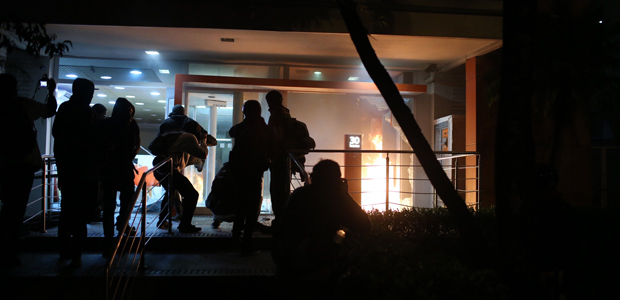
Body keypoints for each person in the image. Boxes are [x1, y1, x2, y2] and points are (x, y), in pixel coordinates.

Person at [272, 159, 371, 299]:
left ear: (313, 177)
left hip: (288, 269)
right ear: (337, 181)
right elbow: (364, 225)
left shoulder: (299, 195)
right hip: (318, 270)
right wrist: (345, 195)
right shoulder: (337, 201)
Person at [0, 73, 57, 268]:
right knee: (16, 209)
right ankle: (10, 251)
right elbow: (49, 111)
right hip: (23, 165)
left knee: (8, 207)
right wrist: (51, 91)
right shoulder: (22, 105)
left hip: (4, 164)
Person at [52, 78, 101, 269]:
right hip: (83, 170)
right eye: (90, 92)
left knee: (68, 211)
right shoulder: (83, 112)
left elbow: (59, 136)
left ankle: (66, 250)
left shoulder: (66, 109)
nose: (91, 96)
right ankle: (75, 253)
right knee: (79, 213)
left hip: (70, 169)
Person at [153, 119, 216, 233]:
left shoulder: (179, 136)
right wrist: (203, 140)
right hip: (168, 168)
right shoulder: (189, 137)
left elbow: (193, 158)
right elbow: (202, 154)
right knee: (192, 194)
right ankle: (185, 225)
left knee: (170, 194)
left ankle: (162, 221)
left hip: (160, 168)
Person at [228, 100, 274, 255]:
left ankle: (236, 236)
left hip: (239, 170)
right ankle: (246, 243)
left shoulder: (242, 127)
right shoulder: (263, 128)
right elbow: (272, 142)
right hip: (254, 171)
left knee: (241, 203)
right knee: (252, 206)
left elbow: (231, 132)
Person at [266, 90, 315, 230]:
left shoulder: (276, 115)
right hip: (290, 160)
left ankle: (280, 224)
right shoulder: (287, 113)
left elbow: (278, 137)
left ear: (269, 101)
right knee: (284, 191)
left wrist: (272, 157)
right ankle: (285, 222)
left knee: (278, 193)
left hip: (280, 160)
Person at [100, 98, 140, 256]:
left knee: (120, 204)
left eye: (130, 114)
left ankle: (117, 231)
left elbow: (136, 143)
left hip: (118, 168)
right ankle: (112, 237)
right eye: (128, 114)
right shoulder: (126, 125)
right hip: (114, 168)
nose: (129, 117)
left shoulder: (108, 125)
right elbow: (135, 144)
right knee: (111, 206)